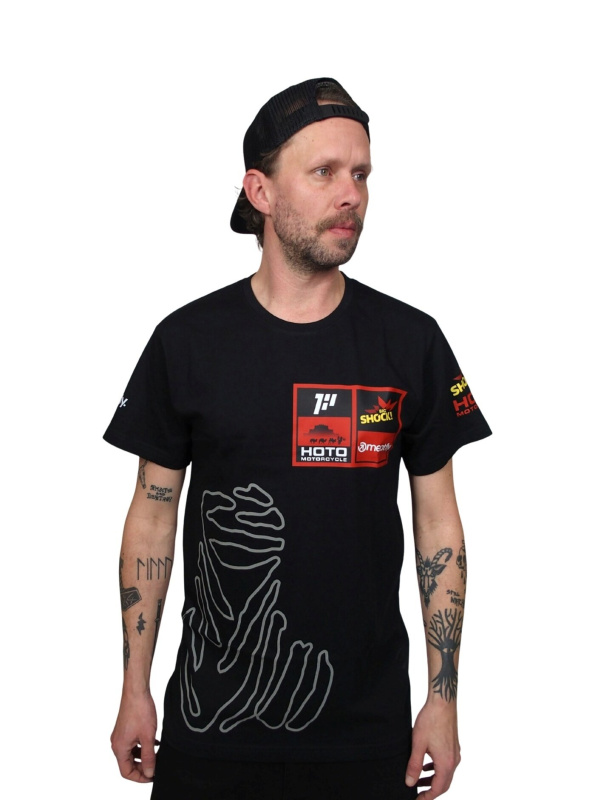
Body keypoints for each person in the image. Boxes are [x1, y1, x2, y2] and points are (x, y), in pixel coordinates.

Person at [104, 77, 491, 800]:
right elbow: (153, 516)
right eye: (323, 172)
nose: (351, 194)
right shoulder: (187, 341)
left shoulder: (409, 342)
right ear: (260, 191)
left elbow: (438, 522)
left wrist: (443, 700)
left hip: (367, 735)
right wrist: (134, 688)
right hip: (210, 730)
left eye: (361, 174)